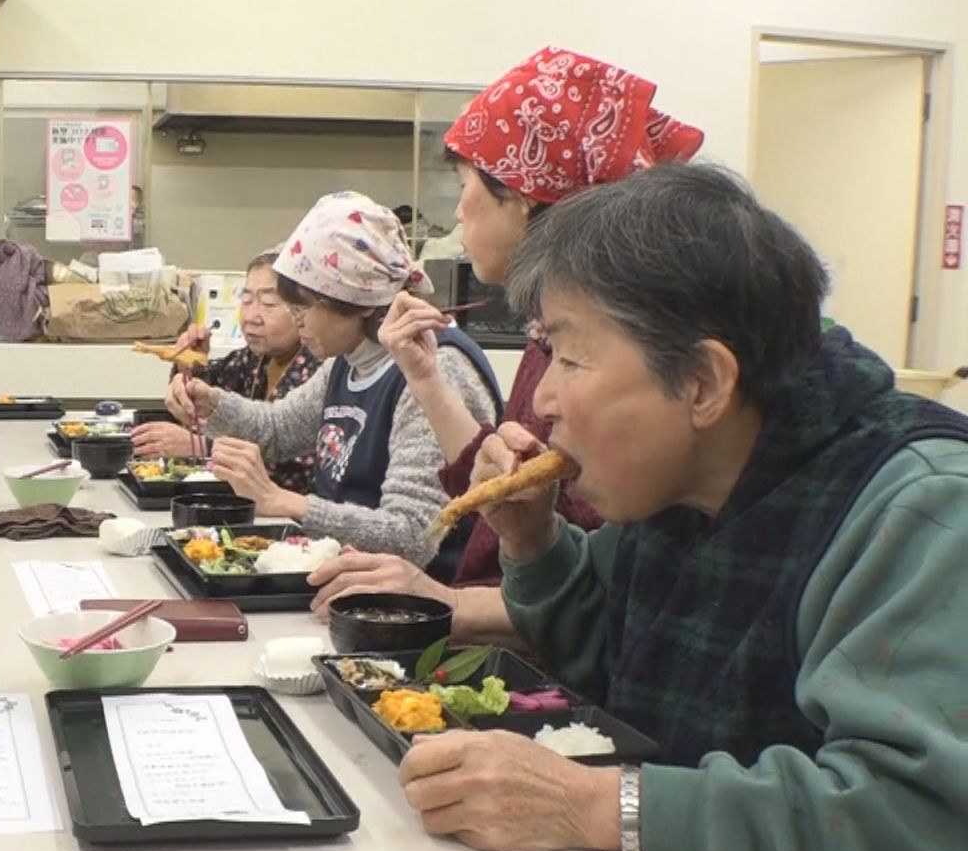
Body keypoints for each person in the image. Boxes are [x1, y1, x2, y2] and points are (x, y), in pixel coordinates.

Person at [394, 165, 968, 851]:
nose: (542, 400)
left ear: (702, 382)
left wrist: (595, 805)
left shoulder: (923, 507)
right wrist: (533, 542)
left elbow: (899, 824)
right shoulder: (691, 478)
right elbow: (616, 666)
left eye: (570, 357)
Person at [311, 46, 702, 612]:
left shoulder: (618, 351)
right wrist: (423, 378)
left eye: (466, 192)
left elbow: (600, 598)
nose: (459, 218)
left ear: (520, 198)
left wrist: (441, 600)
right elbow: (507, 484)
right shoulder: (550, 332)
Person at [167, 191, 501, 576]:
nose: (296, 321)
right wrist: (211, 402)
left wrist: (286, 503)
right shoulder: (348, 358)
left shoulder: (434, 369)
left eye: (303, 306)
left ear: (358, 301)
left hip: (420, 605)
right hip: (347, 577)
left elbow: (412, 535)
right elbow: (277, 430)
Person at [130, 250, 322, 494]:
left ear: (303, 308)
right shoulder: (255, 358)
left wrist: (202, 447)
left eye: (269, 303)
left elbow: (298, 465)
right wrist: (191, 365)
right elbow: (214, 398)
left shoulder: (322, 366)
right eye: (247, 299)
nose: (251, 317)